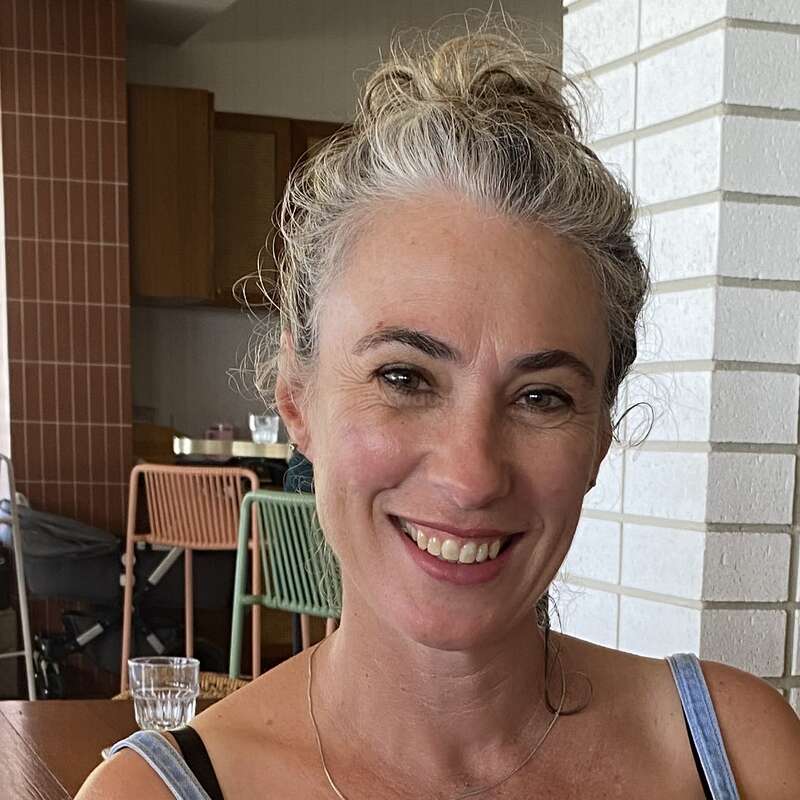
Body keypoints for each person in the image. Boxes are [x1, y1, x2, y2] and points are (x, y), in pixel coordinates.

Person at [78, 17, 800, 800]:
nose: (471, 475)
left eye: (541, 396)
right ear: (297, 397)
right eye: (404, 377)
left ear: (600, 435)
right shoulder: (150, 793)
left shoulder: (737, 753)